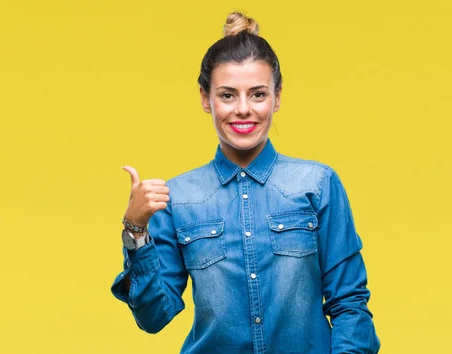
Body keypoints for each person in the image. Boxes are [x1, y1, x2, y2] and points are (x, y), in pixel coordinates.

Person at [111, 11, 380, 354]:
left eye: (257, 94)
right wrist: (136, 230)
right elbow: (153, 317)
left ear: (276, 97)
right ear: (205, 99)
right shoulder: (177, 198)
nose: (242, 109)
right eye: (227, 95)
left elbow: (350, 304)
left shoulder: (317, 183)